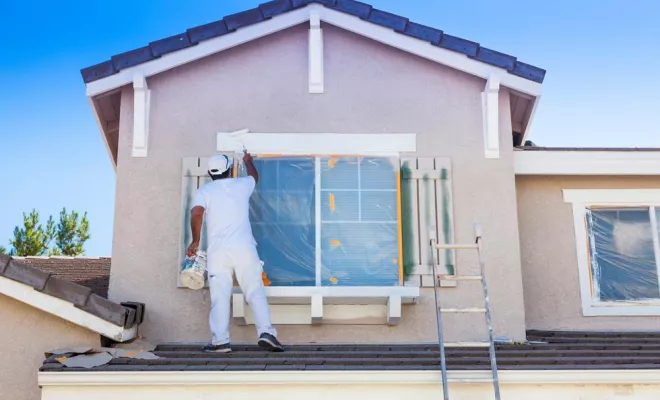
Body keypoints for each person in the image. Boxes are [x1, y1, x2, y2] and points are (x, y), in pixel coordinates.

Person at [187, 151, 283, 353]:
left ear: (210, 173)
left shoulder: (205, 191)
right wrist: (248, 161)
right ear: (229, 170)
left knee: (220, 295)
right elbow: (254, 177)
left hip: (218, 252)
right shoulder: (241, 185)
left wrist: (195, 241)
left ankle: (220, 341)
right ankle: (266, 333)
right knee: (254, 290)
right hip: (244, 248)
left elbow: (196, 213)